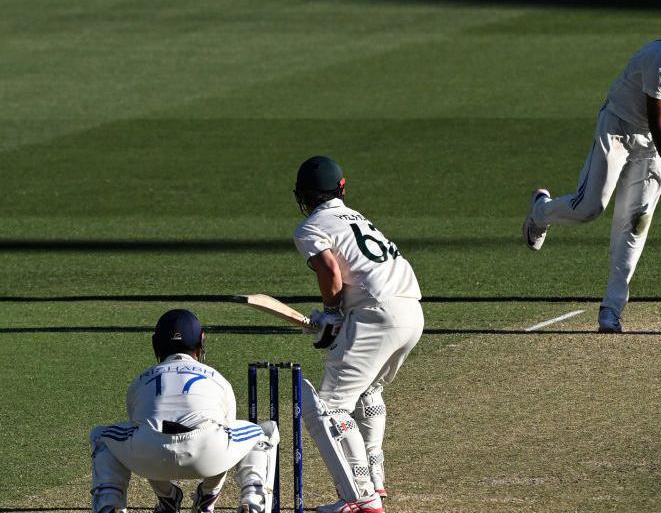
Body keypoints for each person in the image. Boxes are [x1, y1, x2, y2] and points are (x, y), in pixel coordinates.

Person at [522, 5, 661, 332]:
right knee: (590, 207)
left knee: (635, 223)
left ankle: (611, 309)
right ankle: (541, 212)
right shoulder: (660, 60)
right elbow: (656, 123)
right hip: (619, 127)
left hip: (657, 141)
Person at [291, 155, 424, 513]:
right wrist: (337, 315)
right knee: (368, 390)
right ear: (342, 187)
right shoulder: (360, 219)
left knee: (331, 408)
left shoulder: (311, 227)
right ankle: (375, 482)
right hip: (412, 311)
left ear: (303, 196)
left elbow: (330, 270)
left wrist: (332, 314)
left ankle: (361, 498)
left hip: (378, 315)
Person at [90, 310, 279, 513]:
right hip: (209, 453)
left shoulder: (140, 380)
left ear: (156, 344)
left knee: (104, 436)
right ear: (201, 342)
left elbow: (144, 429)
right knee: (264, 432)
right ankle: (251, 502)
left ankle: (112, 504)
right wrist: (210, 492)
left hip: (150, 455)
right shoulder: (217, 378)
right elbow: (225, 436)